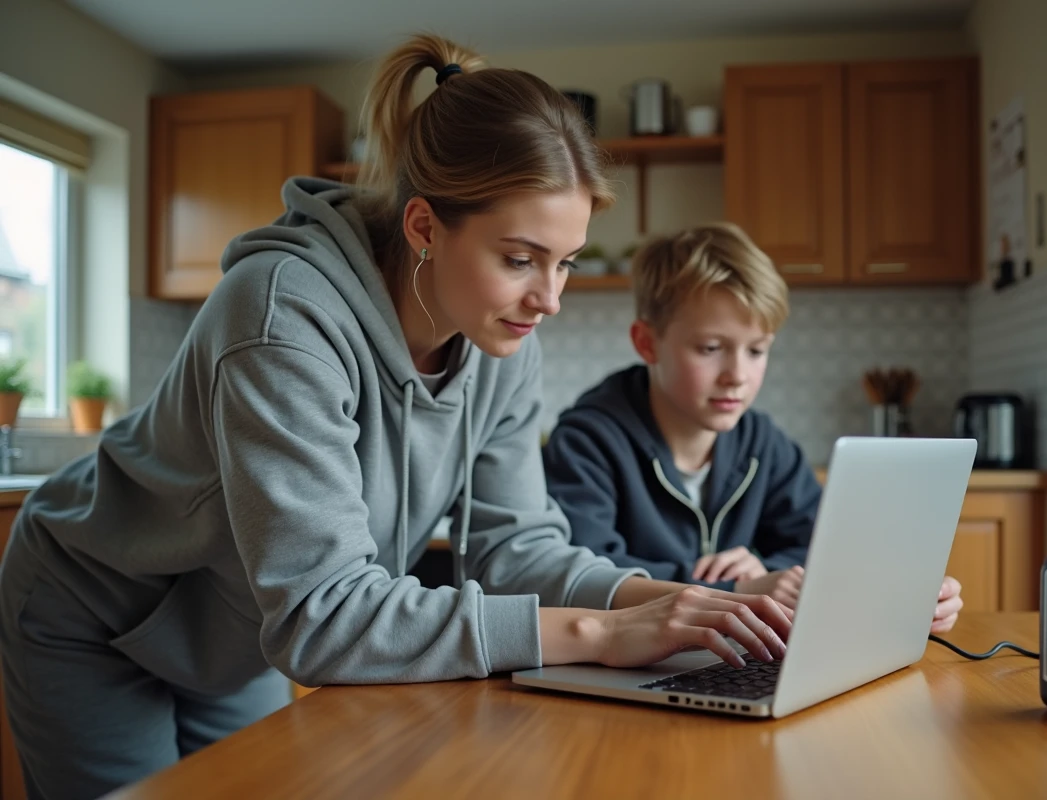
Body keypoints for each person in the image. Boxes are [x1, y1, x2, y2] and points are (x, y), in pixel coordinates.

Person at [0, 37, 791, 799]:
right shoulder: (283, 319)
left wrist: (663, 602)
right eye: (520, 259)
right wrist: (601, 635)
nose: (549, 298)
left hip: (230, 639)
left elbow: (518, 547)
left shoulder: (501, 342)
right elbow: (324, 619)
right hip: (97, 618)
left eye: (566, 261)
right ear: (423, 227)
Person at [542, 222, 964, 622]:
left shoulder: (764, 443)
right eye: (710, 348)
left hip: (730, 656)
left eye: (757, 351)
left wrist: (769, 573)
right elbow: (583, 575)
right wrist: (733, 589)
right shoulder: (587, 441)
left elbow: (823, 547)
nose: (738, 375)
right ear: (647, 343)